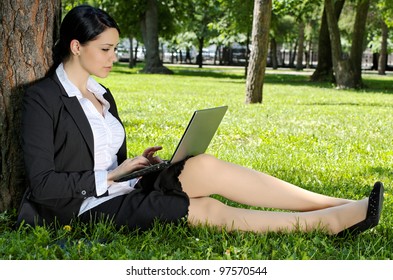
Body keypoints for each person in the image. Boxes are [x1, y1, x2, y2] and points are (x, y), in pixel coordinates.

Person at [17, 4, 384, 237]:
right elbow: (45, 184)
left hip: (124, 187)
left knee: (203, 165)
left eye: (115, 48)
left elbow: (103, 155)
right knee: (203, 208)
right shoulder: (42, 98)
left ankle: (333, 203)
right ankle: (331, 222)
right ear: (77, 47)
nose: (114, 57)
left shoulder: (101, 94)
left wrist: (135, 167)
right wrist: (112, 175)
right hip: (83, 208)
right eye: (106, 49)